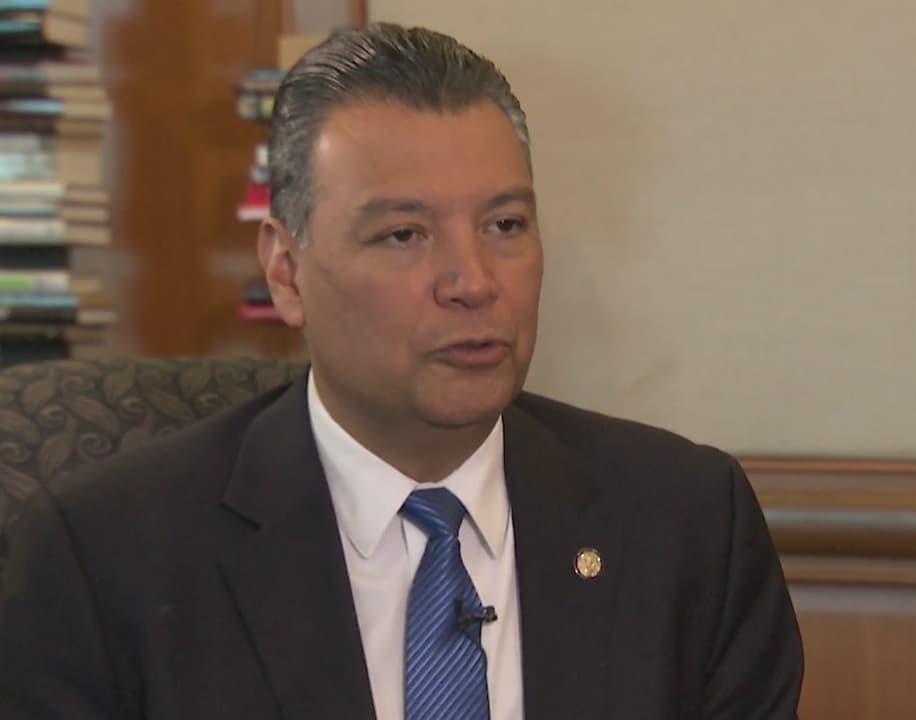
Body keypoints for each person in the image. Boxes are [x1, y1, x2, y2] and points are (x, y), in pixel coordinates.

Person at [0, 22, 803, 720]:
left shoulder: (686, 524)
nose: (473, 282)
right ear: (285, 272)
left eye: (505, 224)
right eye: (404, 235)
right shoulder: (108, 558)